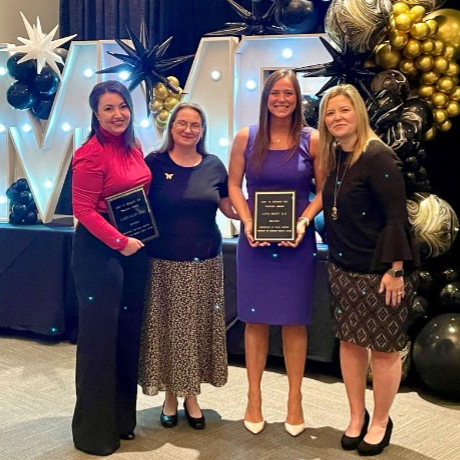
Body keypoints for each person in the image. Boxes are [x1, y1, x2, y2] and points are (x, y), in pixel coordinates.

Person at [318, 84, 419, 456]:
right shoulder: (338, 157)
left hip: (379, 275)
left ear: (358, 113)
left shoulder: (379, 157)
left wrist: (396, 270)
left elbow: (397, 217)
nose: (337, 118)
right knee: (350, 343)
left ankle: (380, 420)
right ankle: (356, 415)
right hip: (342, 269)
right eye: (330, 113)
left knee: (384, 350)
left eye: (344, 110)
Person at [228, 69, 323, 437]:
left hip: (296, 244)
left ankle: (294, 401)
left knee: (294, 322)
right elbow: (235, 185)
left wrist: (303, 221)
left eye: (289, 93)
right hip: (253, 241)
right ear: (265, 96)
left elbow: (324, 190)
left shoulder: (312, 139)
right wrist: (247, 221)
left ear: (298, 98)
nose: (281, 99)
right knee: (255, 321)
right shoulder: (246, 137)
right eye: (275, 93)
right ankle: (253, 399)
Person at [138, 102, 237, 430]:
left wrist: (264, 215)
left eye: (196, 125)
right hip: (163, 262)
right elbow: (135, 203)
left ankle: (192, 396)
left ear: (203, 130)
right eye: (182, 123)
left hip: (205, 263)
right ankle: (169, 396)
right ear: (171, 127)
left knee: (195, 332)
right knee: (167, 331)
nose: (188, 129)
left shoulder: (214, 165)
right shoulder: (153, 163)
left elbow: (228, 207)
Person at [71, 80, 151, 456]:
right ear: (95, 113)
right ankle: (93, 433)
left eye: (122, 106)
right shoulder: (90, 153)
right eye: (108, 108)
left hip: (133, 250)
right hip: (99, 253)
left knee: (126, 337)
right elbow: (83, 211)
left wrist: (133, 240)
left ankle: (121, 420)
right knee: (99, 341)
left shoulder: (133, 146)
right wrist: (120, 241)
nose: (117, 114)